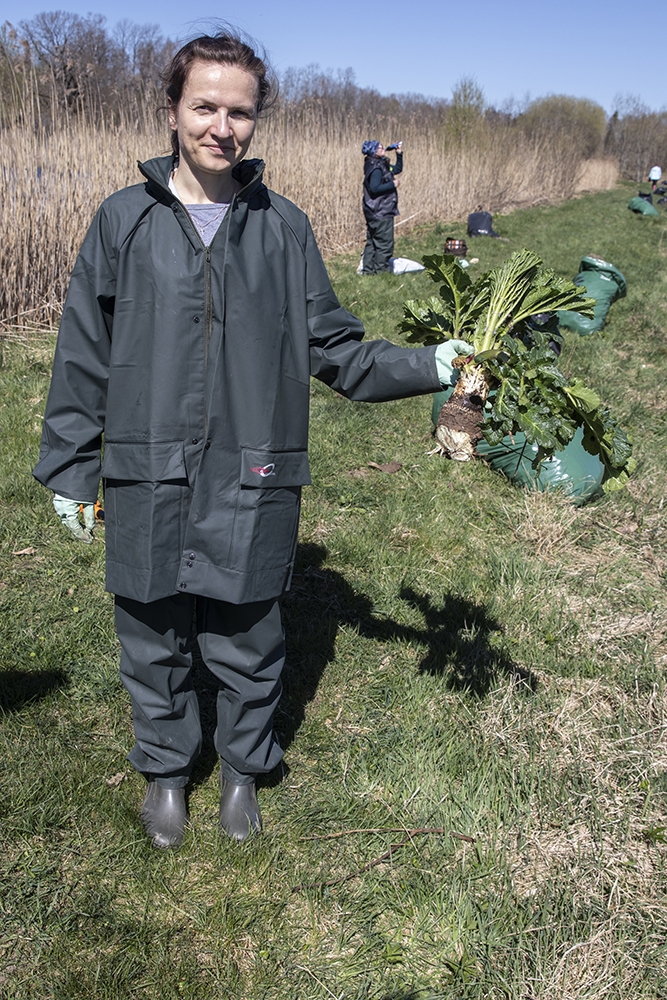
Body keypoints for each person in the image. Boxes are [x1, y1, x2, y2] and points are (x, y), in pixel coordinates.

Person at [33, 31, 469, 850]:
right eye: (204, 106)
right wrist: (69, 464)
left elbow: (335, 349)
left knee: (246, 635)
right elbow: (83, 350)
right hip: (145, 466)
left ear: (255, 122)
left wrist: (429, 365)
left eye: (239, 112)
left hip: (252, 467)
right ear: (172, 111)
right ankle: (166, 772)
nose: (221, 127)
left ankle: (241, 770)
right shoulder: (122, 221)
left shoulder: (282, 228)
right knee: (151, 634)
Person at [361, 140, 403, 274]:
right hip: (381, 211)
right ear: (374, 151)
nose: (384, 148)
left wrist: (399, 154)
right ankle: (381, 271)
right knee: (385, 243)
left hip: (373, 211)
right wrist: (393, 185)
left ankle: (368, 271)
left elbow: (396, 169)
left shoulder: (375, 164)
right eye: (380, 147)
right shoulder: (377, 168)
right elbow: (374, 188)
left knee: (372, 242)